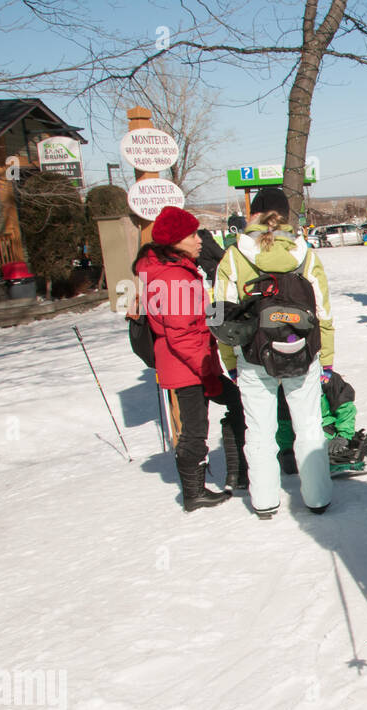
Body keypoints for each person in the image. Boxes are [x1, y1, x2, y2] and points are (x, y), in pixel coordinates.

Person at [213, 186, 335, 519]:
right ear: (286, 216)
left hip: (252, 354)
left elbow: (219, 315)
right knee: (309, 424)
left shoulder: (234, 256)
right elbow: (322, 312)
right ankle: (317, 497)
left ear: (253, 215)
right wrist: (326, 360)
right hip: (301, 349)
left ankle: (265, 500)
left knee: (260, 429)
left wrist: (230, 361)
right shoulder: (305, 253)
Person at [134, 205, 246, 511]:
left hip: (188, 363)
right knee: (196, 428)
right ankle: (194, 491)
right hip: (188, 367)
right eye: (192, 234)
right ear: (175, 240)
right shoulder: (173, 277)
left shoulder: (171, 270)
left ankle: (235, 473)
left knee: (231, 404)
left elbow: (194, 318)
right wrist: (207, 373)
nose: (199, 240)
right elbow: (181, 333)